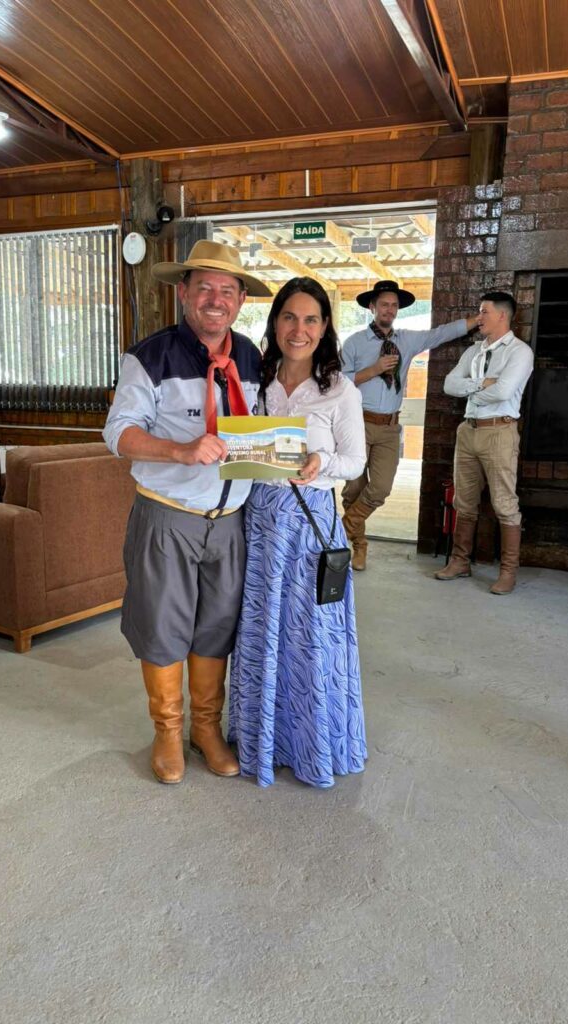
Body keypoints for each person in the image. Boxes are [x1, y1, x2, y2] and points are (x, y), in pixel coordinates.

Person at [103, 240, 271, 785]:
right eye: (205, 288)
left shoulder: (252, 357)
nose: (215, 299)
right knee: (162, 626)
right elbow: (118, 434)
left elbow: (260, 428)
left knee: (217, 627)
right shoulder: (148, 357)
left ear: (240, 300)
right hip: (168, 516)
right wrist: (179, 450)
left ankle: (205, 728)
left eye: (227, 290)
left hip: (231, 522)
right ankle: (167, 731)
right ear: (184, 292)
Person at [227, 277, 367, 789]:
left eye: (310, 319)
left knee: (310, 637)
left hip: (310, 526)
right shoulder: (253, 381)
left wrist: (320, 461)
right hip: (259, 522)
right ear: (275, 322)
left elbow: (355, 461)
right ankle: (263, 741)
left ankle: (313, 746)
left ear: (325, 327)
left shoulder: (339, 390)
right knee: (262, 630)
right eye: (289, 317)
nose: (299, 329)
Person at [340, 281, 480, 571]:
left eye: (394, 305)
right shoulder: (354, 342)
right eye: (384, 304)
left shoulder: (407, 340)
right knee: (353, 489)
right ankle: (359, 546)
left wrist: (477, 321)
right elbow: (338, 383)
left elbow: (440, 334)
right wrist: (374, 369)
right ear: (372, 307)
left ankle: (342, 528)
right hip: (356, 423)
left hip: (390, 428)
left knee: (379, 488)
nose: (389, 309)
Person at [435, 291, 534, 595]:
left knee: (504, 504)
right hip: (468, 431)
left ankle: (508, 572)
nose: (479, 318)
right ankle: (460, 561)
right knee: (463, 501)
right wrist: (480, 384)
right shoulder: (474, 351)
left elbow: (503, 392)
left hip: (499, 432)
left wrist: (472, 393)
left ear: (502, 315)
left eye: (484, 312)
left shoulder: (519, 352)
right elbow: (448, 384)